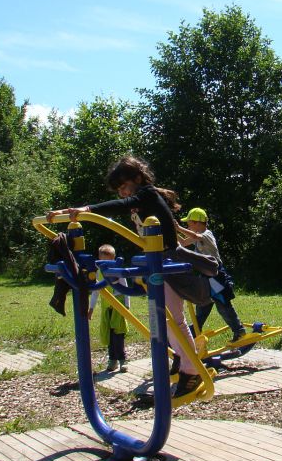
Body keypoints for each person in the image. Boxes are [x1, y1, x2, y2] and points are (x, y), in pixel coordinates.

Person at [47, 155, 218, 400]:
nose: (122, 193)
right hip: (156, 260)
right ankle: (186, 363)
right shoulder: (142, 198)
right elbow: (123, 206)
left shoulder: (146, 194)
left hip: (166, 261)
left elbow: (122, 206)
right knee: (168, 319)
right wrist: (69, 212)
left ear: (138, 179)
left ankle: (190, 372)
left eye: (124, 187)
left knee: (173, 320)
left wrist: (87, 209)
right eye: (118, 189)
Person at [176, 207, 246, 343]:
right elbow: (183, 243)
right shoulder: (195, 235)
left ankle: (239, 331)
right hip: (205, 276)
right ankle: (194, 332)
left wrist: (178, 228)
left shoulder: (207, 234)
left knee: (223, 304)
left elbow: (196, 237)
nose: (187, 225)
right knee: (202, 304)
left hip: (216, 275)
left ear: (197, 222)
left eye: (189, 223)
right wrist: (173, 231)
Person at [88, 243, 130, 373]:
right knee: (109, 335)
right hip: (106, 307)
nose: (106, 264)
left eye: (109, 261)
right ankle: (112, 360)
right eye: (103, 261)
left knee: (118, 334)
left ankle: (123, 360)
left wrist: (127, 306)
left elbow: (126, 289)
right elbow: (95, 291)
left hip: (118, 305)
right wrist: (91, 308)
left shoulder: (117, 271)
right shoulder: (98, 272)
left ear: (114, 259)